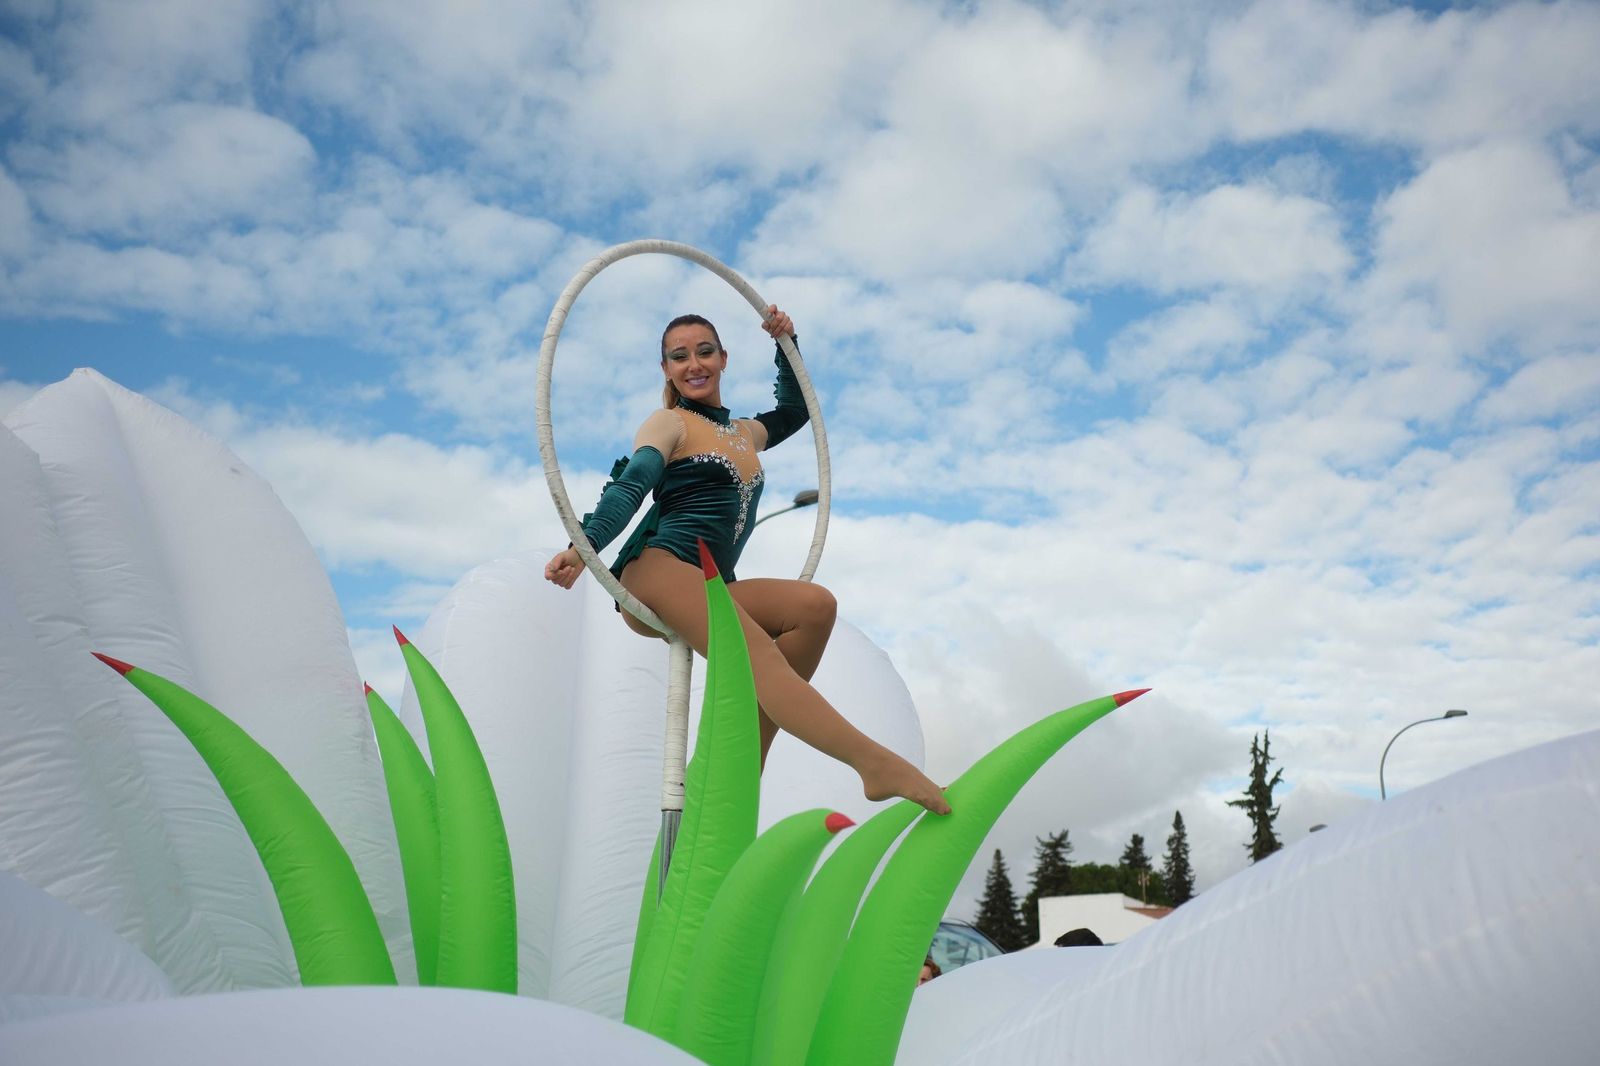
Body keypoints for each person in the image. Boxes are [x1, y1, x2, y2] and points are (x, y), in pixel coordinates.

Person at [543, 307, 950, 816]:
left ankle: (739, 762)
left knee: (815, 607)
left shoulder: (744, 434)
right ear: (666, 369)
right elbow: (631, 487)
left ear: (723, 358)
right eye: (679, 356)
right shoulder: (668, 423)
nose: (694, 363)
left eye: (704, 351)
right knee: (756, 654)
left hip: (713, 582)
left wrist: (787, 344)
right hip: (657, 567)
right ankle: (872, 765)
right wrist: (585, 550)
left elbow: (797, 410)